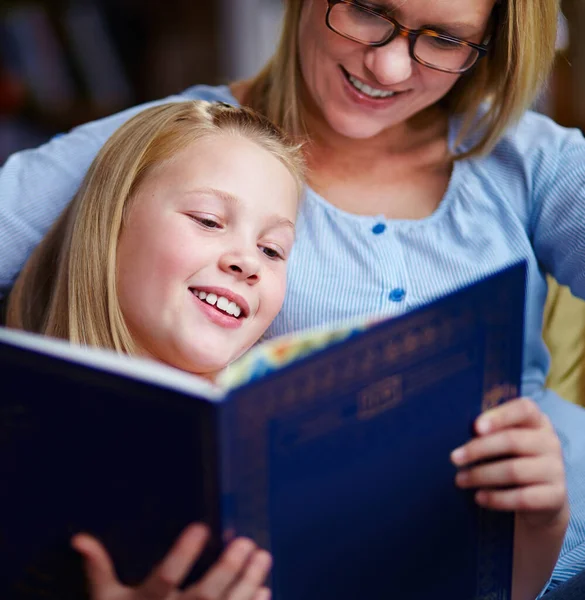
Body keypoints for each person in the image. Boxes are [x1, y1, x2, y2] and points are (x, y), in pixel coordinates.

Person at [1, 0, 585, 598]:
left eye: (444, 39)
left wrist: (545, 500)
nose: (387, 67)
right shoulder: (170, 145)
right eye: (365, 8)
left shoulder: (532, 160)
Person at [6, 98, 305, 600]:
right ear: (112, 220)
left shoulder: (289, 451)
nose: (248, 262)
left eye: (272, 249)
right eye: (209, 221)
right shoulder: (19, 442)